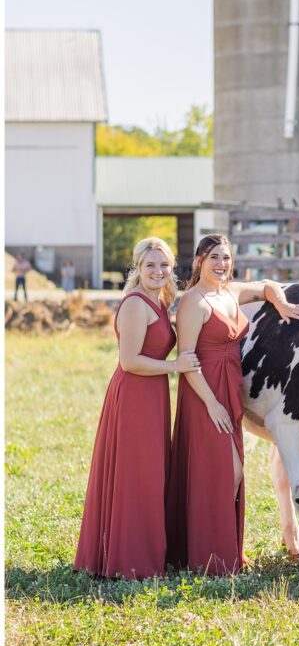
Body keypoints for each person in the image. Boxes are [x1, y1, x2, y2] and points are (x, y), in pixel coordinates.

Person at [165, 233, 299, 576]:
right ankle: (207, 552)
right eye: (215, 257)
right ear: (200, 260)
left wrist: (282, 303)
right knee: (226, 472)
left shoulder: (230, 292)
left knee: (226, 473)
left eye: (227, 258)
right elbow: (186, 360)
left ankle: (225, 551)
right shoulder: (192, 302)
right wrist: (212, 404)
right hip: (205, 393)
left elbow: (268, 284)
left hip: (231, 389)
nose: (221, 264)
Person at [74, 237, 199, 579]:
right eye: (150, 265)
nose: (158, 271)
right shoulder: (134, 304)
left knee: (151, 474)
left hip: (154, 393)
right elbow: (129, 362)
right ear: (137, 268)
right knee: (137, 475)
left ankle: (147, 552)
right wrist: (176, 367)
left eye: (164, 265)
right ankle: (129, 559)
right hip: (134, 396)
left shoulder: (159, 301)